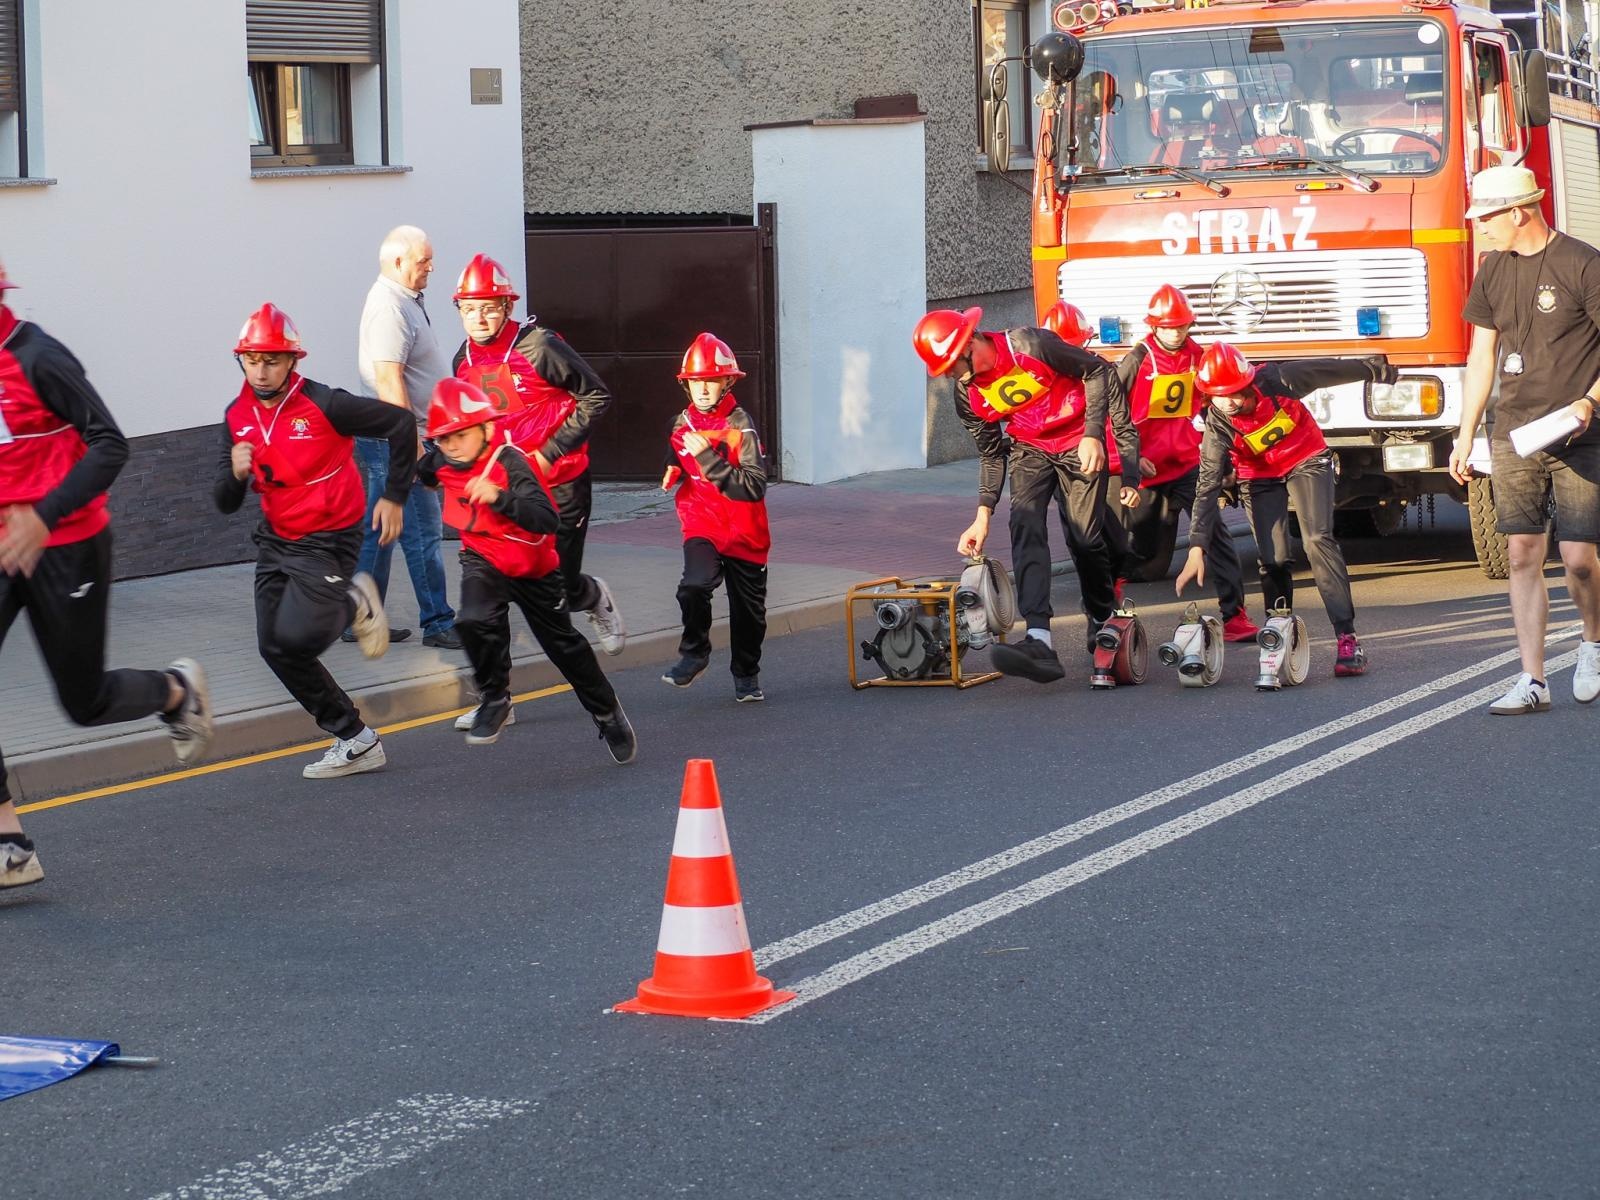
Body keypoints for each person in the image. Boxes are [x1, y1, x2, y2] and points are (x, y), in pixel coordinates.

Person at [0, 260, 212, 888]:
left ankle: (177, 690)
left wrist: (45, 513)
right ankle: (10, 841)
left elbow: (110, 444)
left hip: (67, 543)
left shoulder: (38, 356)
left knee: (83, 702)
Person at [214, 303, 416, 779]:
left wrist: (394, 495)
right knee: (275, 648)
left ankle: (354, 601)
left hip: (329, 536)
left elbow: (400, 425)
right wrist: (235, 473)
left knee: (301, 635)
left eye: (272, 360)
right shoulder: (235, 416)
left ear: (292, 362)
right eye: (252, 360)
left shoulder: (326, 403)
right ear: (241, 360)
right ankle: (356, 739)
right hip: (276, 540)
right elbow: (223, 501)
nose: (261, 371)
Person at [447, 253, 624, 737]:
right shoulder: (462, 359)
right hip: (502, 494)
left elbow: (596, 396)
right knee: (487, 601)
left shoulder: (539, 345)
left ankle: (592, 593)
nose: (480, 317)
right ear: (459, 310)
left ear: (507, 307)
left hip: (560, 483)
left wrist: (548, 452)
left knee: (557, 596)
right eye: (471, 308)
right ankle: (497, 698)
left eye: (490, 307)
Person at [913, 306, 1137, 684]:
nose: (949, 373)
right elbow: (990, 452)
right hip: (1030, 449)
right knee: (1025, 524)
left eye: (950, 363)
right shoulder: (967, 395)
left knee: (1084, 538)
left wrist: (1093, 434)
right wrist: (982, 514)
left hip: (1077, 441)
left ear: (970, 343)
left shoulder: (1031, 345)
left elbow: (1097, 370)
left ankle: (1102, 616)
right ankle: (1039, 640)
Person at [1448, 164, 1600, 713]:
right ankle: (1533, 680)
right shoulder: (1490, 270)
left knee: (1580, 557)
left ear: (1519, 211)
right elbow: (1481, 354)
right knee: (1521, 552)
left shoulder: (1582, 263)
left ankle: (1592, 642)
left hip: (1579, 432)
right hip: (1513, 430)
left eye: (1487, 217)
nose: (1480, 227)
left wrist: (1589, 402)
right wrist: (1465, 435)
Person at [418, 378, 636, 760]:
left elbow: (547, 519)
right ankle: (495, 698)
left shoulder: (510, 462)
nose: (451, 446)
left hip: (533, 568)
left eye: (460, 435)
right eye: (444, 438)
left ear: (485, 428)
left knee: (563, 647)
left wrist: (500, 498)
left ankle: (606, 711)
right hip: (482, 559)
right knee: (472, 620)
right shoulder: (441, 458)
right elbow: (422, 472)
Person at [1177, 342, 1396, 676]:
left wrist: (1373, 369)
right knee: (1273, 559)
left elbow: (1328, 371)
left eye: (1235, 392)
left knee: (1316, 540)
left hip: (1306, 458)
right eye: (1219, 395)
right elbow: (1206, 487)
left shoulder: (1279, 380)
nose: (1229, 402)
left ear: (1248, 382)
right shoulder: (1218, 424)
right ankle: (1279, 630)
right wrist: (1196, 547)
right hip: (1259, 476)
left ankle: (1347, 638)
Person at [1113, 284, 1258, 641]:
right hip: (1145, 471)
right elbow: (1110, 415)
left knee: (1216, 534)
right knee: (1139, 555)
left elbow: (1215, 408)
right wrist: (1130, 460)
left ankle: (1235, 616)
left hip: (1188, 466)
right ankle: (1110, 614)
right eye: (1168, 326)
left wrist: (1223, 464)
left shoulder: (1199, 357)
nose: (1176, 333)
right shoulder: (1137, 360)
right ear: (1154, 326)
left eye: (1182, 326)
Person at [349, 225, 459, 649]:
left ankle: (360, 617)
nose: (431, 267)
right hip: (398, 437)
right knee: (423, 531)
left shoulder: (404, 299)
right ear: (398, 262)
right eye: (423, 261)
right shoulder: (390, 307)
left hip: (392, 435)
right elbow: (387, 379)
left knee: (381, 529)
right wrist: (412, 445)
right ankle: (438, 621)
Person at [659, 333, 770, 702]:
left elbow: (754, 486)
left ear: (727, 382)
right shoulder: (680, 423)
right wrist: (673, 467)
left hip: (744, 531)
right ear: (685, 385)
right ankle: (695, 655)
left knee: (748, 614)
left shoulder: (742, 426)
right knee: (693, 586)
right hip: (701, 522)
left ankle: (746, 675)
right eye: (695, 382)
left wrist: (708, 458)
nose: (702, 389)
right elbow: (678, 452)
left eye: (710, 381)